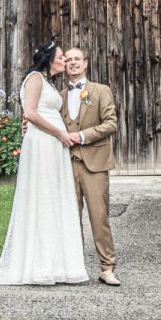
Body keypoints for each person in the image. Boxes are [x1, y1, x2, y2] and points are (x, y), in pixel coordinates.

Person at [0, 41, 89, 285]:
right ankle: (37, 265)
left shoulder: (48, 83)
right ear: (49, 59)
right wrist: (59, 134)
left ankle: (54, 263)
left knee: (52, 198)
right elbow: (31, 114)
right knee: (41, 195)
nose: (65, 61)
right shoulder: (35, 78)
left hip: (52, 146)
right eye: (62, 57)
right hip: (43, 144)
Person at [60, 47, 121, 286]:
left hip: (94, 165)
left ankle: (107, 268)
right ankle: (73, 268)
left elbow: (111, 123)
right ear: (64, 65)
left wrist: (83, 136)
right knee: (70, 219)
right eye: (68, 60)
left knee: (99, 217)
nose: (73, 63)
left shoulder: (100, 91)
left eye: (77, 59)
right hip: (66, 166)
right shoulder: (60, 95)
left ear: (85, 63)